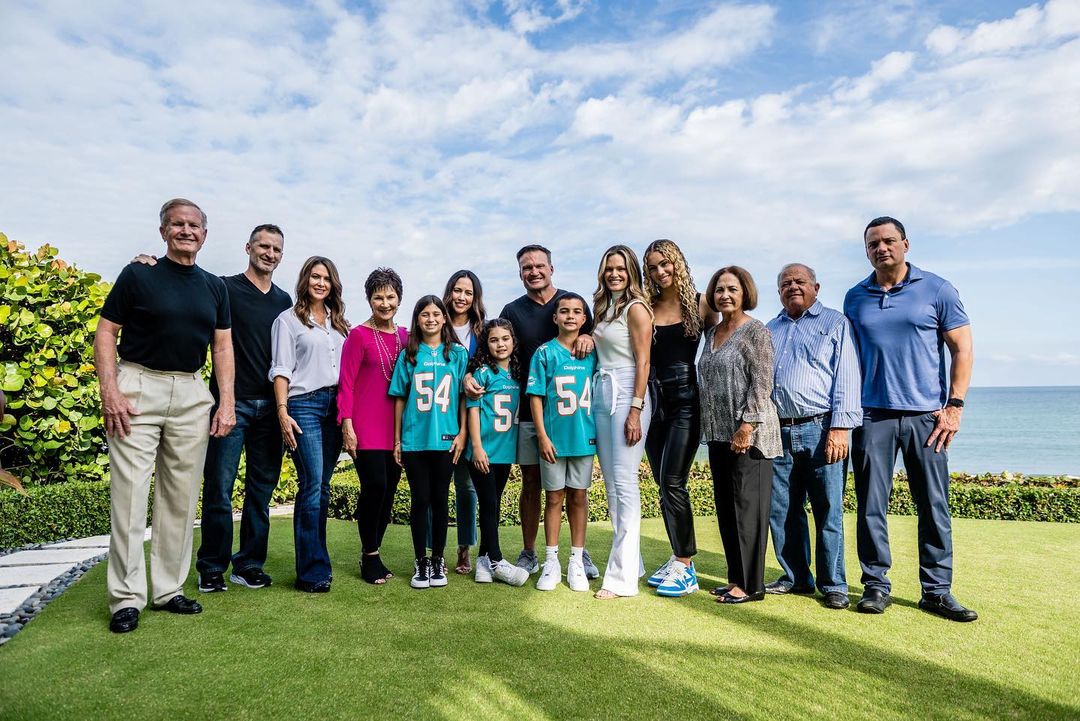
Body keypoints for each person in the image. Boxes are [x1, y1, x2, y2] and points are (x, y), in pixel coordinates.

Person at [94, 198, 234, 634]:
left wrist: (224, 401)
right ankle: (126, 598)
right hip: (138, 386)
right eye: (177, 224)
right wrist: (110, 391)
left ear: (205, 235)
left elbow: (223, 346)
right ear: (163, 231)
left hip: (192, 392)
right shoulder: (139, 274)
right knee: (131, 496)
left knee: (180, 498)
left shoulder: (214, 287)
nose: (186, 231)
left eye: (194, 225)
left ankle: (169, 589)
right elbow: (106, 331)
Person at [844, 217, 977, 622]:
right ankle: (875, 586)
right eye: (872, 244)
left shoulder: (937, 289)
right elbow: (848, 360)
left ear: (905, 243)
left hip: (927, 418)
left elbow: (963, 349)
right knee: (870, 506)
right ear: (866, 250)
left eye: (888, 241)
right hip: (872, 416)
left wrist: (954, 406)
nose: (881, 248)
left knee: (933, 504)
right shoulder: (855, 296)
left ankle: (936, 591)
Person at [468, 245, 598, 579]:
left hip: (570, 418)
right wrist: (470, 373)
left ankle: (577, 556)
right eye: (527, 267)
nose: (534, 271)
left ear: (552, 268)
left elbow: (592, 335)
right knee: (532, 482)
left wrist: (590, 337)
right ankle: (529, 552)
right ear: (521, 273)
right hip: (528, 413)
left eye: (540, 265)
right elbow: (494, 345)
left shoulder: (571, 301)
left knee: (573, 490)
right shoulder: (512, 309)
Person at [192, 225, 292, 593]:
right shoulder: (224, 288)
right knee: (219, 487)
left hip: (272, 409)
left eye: (276, 249)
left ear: (282, 255)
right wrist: (150, 263)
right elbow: (185, 279)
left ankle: (248, 564)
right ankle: (212, 566)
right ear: (248, 247)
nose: (269, 253)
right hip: (230, 405)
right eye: (263, 246)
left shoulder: (285, 301)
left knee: (260, 492)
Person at [765, 263, 862, 610]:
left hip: (822, 429)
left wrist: (840, 428)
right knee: (783, 510)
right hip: (777, 430)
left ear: (816, 287)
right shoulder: (769, 329)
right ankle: (796, 578)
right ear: (778, 291)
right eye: (785, 283)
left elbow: (847, 377)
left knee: (828, 510)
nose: (792, 286)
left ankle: (833, 583)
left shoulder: (834, 322)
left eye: (799, 281)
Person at [697, 266, 781, 604]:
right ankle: (735, 578)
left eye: (732, 289)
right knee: (727, 510)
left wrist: (747, 427)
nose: (725, 295)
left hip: (751, 436)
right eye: (719, 290)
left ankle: (751, 585)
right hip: (719, 435)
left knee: (748, 511)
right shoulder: (711, 333)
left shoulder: (756, 332)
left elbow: (762, 384)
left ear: (745, 292)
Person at [641, 239, 717, 597]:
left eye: (665, 264)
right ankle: (678, 557)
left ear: (678, 263)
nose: (660, 272)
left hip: (687, 399)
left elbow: (719, 347)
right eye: (653, 267)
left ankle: (685, 565)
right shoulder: (645, 306)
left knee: (673, 480)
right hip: (654, 402)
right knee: (662, 480)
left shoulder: (701, 303)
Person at [270, 256, 348, 593]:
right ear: (305, 280)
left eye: (326, 278)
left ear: (333, 284)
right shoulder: (288, 321)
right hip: (304, 405)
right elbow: (281, 369)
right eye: (315, 276)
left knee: (324, 486)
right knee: (312, 484)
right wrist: (282, 410)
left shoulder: (340, 324)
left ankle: (319, 563)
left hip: (335, 407)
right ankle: (311, 573)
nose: (321, 283)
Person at [389, 296, 469, 590]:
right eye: (425, 314)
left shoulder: (457, 354)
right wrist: (397, 439)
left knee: (439, 499)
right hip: (415, 440)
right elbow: (399, 397)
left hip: (446, 440)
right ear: (417, 319)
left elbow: (463, 395)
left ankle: (438, 560)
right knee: (420, 500)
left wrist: (462, 433)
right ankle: (420, 560)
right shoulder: (409, 354)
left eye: (436, 313)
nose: (431, 319)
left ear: (445, 318)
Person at [338, 268, 408, 585]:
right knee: (374, 488)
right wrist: (346, 425)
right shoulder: (358, 336)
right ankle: (369, 556)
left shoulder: (406, 337)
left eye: (390, 296)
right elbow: (346, 384)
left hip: (396, 430)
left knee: (389, 493)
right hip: (364, 427)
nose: (384, 303)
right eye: (378, 297)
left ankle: (374, 550)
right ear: (369, 299)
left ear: (399, 299)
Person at [591, 246, 653, 600]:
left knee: (626, 483)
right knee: (612, 485)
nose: (614, 274)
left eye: (621, 269)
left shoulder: (636, 309)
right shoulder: (604, 309)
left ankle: (620, 579)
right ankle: (634, 562)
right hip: (602, 391)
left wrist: (635, 409)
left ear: (631, 272)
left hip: (628, 389)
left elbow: (643, 362)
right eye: (608, 269)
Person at [527, 293, 597, 592]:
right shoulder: (544, 353)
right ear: (554, 318)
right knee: (554, 498)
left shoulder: (593, 352)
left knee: (578, 497)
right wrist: (542, 435)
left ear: (584, 318)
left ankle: (577, 560)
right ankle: (551, 560)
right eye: (564, 311)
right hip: (553, 440)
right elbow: (536, 397)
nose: (570, 316)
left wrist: (592, 339)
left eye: (577, 312)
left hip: (584, 436)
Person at [466, 319, 530, 586]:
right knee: (489, 504)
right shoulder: (482, 373)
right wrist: (477, 447)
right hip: (483, 451)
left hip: (504, 452)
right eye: (494, 340)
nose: (500, 344)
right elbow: (472, 410)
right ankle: (496, 559)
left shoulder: (518, 373)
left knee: (493, 502)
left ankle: (482, 562)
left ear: (513, 341)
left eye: (505, 339)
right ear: (486, 344)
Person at [441, 270, 485, 574]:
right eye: (457, 290)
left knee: (466, 487)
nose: (461, 297)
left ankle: (463, 548)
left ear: (475, 298)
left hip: (471, 417)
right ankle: (433, 550)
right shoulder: (436, 324)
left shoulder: (481, 331)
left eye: (468, 292)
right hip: (440, 417)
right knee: (436, 487)